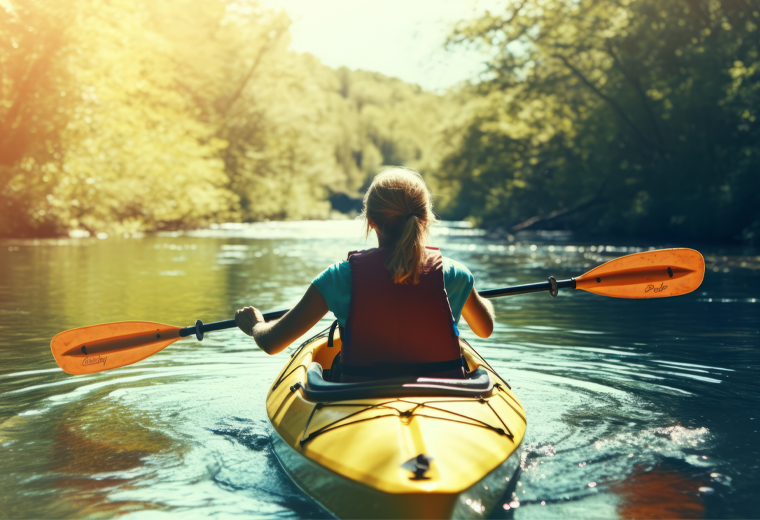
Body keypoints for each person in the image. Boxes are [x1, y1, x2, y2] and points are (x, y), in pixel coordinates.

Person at [235, 167, 494, 381]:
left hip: (356, 395)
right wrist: (479, 299)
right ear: (425, 218)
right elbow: (485, 328)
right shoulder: (455, 274)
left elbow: (272, 343)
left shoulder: (339, 277)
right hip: (444, 395)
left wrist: (256, 325)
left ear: (370, 220)